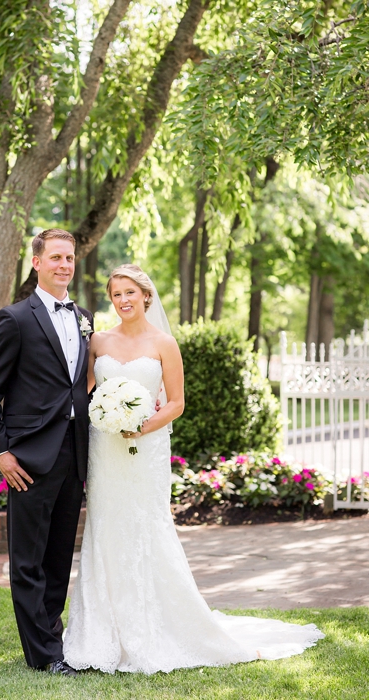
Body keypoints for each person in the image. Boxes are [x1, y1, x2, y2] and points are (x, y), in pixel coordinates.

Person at [63, 263, 324, 674]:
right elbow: (87, 392)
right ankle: (100, 631)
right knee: (106, 527)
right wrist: (106, 415)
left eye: (130, 292)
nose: (124, 300)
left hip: (145, 450)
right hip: (105, 450)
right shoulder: (97, 341)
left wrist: (140, 425)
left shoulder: (164, 343)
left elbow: (176, 403)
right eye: (116, 295)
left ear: (146, 296)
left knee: (147, 527)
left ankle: (159, 626)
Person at [0, 229, 94, 676]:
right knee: (28, 559)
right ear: (36, 262)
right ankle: (43, 656)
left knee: (60, 556)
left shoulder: (84, 317)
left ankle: (53, 641)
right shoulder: (15, 318)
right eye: (57, 257)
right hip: (27, 458)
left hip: (74, 452)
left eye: (70, 258)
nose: (65, 265)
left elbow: (81, 383)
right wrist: (1, 453)